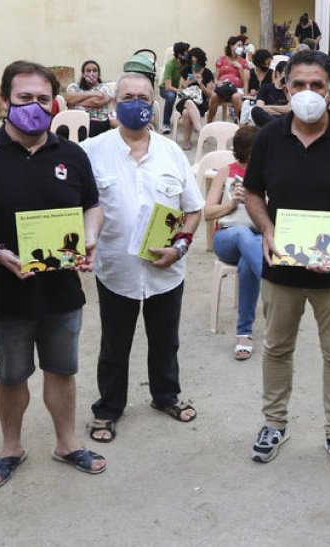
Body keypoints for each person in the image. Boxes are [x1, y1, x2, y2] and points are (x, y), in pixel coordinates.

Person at [0, 60, 107, 488]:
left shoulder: (72, 154)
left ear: (54, 103)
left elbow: (91, 206)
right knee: (12, 374)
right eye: (24, 98)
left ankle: (67, 442)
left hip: (62, 289)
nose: (34, 107)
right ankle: (11, 447)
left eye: (43, 99)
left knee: (62, 370)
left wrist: (90, 236)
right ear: (4, 100)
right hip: (6, 288)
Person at [242, 50, 330, 475]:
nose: (307, 93)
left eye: (316, 85)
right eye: (298, 85)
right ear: (285, 89)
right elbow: (252, 194)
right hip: (281, 267)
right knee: (277, 347)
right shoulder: (267, 138)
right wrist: (265, 229)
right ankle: (274, 424)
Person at [82, 72, 204, 443]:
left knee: (165, 340)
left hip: (166, 270)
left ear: (153, 103)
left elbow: (193, 209)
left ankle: (165, 395)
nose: (136, 103)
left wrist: (180, 246)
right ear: (114, 102)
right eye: (128, 96)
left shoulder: (171, 153)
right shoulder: (92, 151)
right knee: (114, 344)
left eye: (143, 97)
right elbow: (80, 207)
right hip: (115, 270)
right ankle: (108, 408)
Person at [206, 125, 264, 359]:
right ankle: (272, 281)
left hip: (259, 237)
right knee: (241, 234)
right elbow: (207, 212)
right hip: (227, 237)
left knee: (248, 262)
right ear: (244, 152)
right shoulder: (225, 172)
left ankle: (244, 334)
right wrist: (231, 204)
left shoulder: (268, 174)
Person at [176, 47, 215, 150]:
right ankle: (200, 130)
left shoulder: (207, 73)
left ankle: (186, 141)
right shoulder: (186, 70)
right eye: (192, 61)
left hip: (200, 102)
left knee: (186, 113)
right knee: (188, 102)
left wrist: (201, 84)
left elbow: (210, 95)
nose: (194, 64)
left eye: (196, 61)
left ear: (201, 60)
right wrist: (188, 82)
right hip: (185, 100)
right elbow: (180, 90)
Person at [65, 59, 115, 137]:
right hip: (76, 121)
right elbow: (69, 98)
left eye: (94, 71)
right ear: (83, 74)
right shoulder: (74, 86)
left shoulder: (104, 87)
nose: (91, 73)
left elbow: (96, 102)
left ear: (98, 74)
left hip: (98, 122)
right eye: (88, 71)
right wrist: (92, 93)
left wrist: (76, 101)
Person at [212, 36, 250, 123]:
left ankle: (240, 122)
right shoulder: (221, 60)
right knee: (213, 97)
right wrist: (217, 82)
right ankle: (209, 123)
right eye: (239, 45)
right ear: (231, 46)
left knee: (236, 97)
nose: (241, 48)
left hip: (237, 89)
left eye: (242, 46)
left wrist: (240, 68)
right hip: (223, 87)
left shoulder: (243, 62)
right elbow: (215, 77)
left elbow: (245, 81)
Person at [158, 42, 190, 134]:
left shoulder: (187, 64)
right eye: (186, 52)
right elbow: (168, 87)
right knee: (171, 96)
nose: (188, 54)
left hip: (180, 88)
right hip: (166, 89)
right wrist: (179, 91)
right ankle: (166, 124)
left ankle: (189, 121)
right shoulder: (170, 64)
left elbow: (188, 79)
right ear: (179, 54)